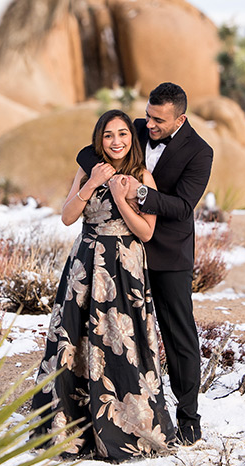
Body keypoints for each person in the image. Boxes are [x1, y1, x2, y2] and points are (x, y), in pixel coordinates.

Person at [32, 109, 175, 461]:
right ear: (100, 139)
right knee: (75, 340)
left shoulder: (143, 176)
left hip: (124, 266)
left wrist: (123, 196)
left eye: (123, 134)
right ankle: (71, 428)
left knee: (121, 341)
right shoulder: (87, 169)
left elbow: (145, 232)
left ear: (132, 138)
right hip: (84, 263)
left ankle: (126, 426)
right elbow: (67, 217)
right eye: (109, 135)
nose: (116, 141)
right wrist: (93, 183)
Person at [79, 83, 213, 447]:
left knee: (178, 336)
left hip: (168, 255)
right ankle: (118, 412)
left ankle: (188, 419)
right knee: (123, 335)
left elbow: (183, 207)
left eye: (158, 120)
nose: (148, 125)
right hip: (122, 257)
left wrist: (136, 191)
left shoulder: (200, 152)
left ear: (179, 119)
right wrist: (103, 175)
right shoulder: (135, 129)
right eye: (148, 115)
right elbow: (84, 154)